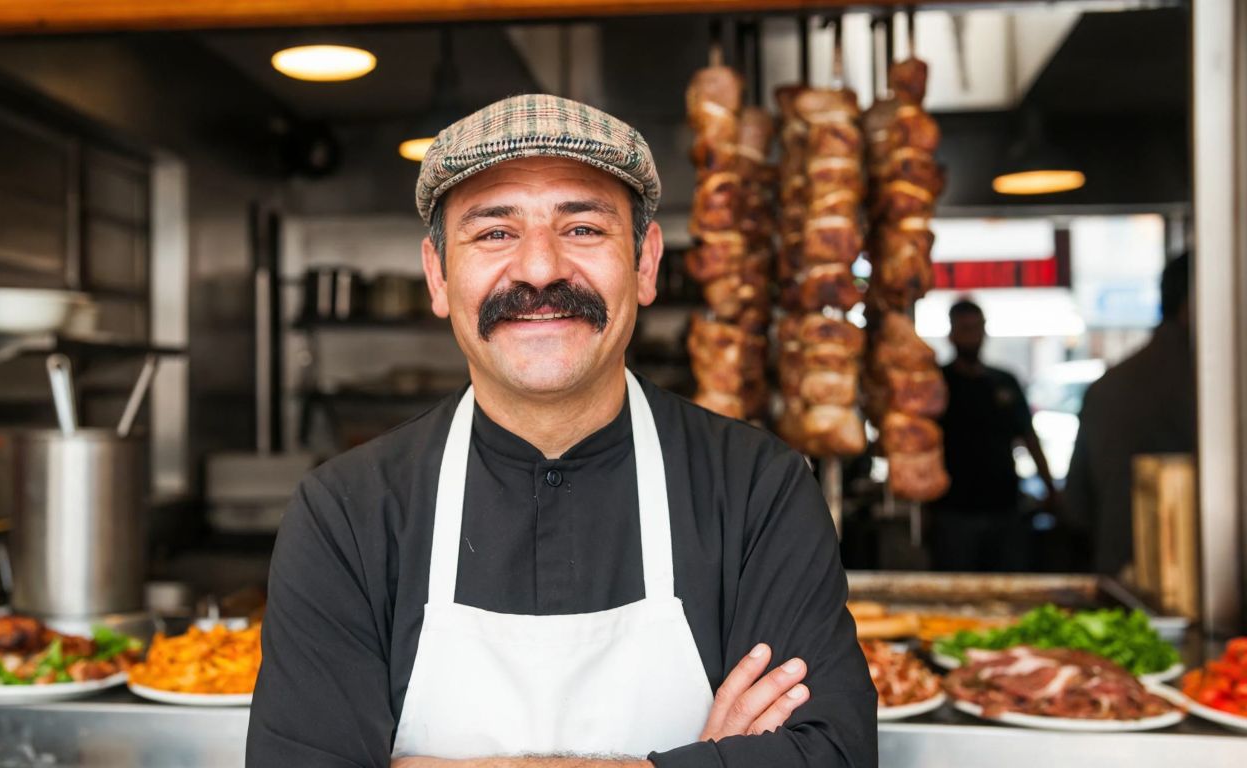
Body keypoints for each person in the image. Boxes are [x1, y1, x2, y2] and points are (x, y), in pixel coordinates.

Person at [246, 95, 875, 768]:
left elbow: (830, 757)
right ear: (437, 275)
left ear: (645, 263)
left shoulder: (758, 491)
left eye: (582, 229)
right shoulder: (347, 512)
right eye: (494, 232)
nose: (540, 269)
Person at [1063, 253, 1195, 576]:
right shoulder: (1217, 389)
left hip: (1119, 576)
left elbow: (1076, 508)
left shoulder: (1107, 387)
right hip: (1193, 577)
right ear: (1191, 307)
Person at [932, 299, 1057, 572]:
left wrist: (1050, 489)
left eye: (976, 327)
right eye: (964, 328)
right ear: (951, 334)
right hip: (955, 510)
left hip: (1004, 506)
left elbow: (1029, 437)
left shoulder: (1004, 382)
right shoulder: (937, 384)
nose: (972, 335)